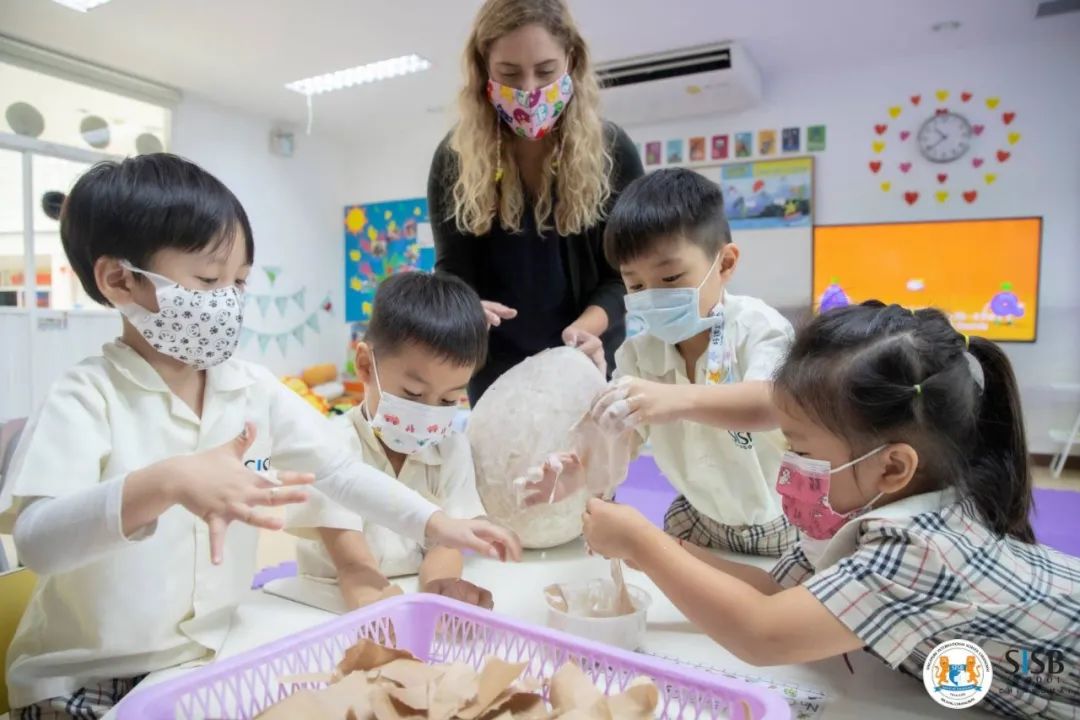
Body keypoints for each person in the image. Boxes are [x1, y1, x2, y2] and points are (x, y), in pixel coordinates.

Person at [0, 154, 520, 719]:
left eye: (240, 282)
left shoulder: (251, 387)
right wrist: (166, 482)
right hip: (87, 676)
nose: (228, 300)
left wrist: (436, 522)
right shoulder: (86, 394)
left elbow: (341, 472)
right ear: (119, 280)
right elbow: (36, 541)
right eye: (207, 280)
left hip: (207, 657)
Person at [583, 303, 1080, 719]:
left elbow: (764, 632)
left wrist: (641, 545)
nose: (788, 467)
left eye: (800, 449)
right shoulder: (860, 505)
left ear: (892, 468)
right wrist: (662, 544)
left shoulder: (924, 548)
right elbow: (782, 593)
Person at [428, 0, 645, 404]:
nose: (529, 91)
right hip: (494, 368)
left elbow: (626, 275)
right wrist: (467, 309)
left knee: (584, 463)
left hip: (588, 357)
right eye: (509, 74)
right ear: (483, 70)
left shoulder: (612, 152)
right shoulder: (455, 158)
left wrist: (584, 330)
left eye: (546, 72)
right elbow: (452, 272)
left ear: (571, 62)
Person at [589, 168, 797, 557]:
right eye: (635, 286)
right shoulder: (637, 354)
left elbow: (769, 404)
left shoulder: (759, 327)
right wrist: (579, 466)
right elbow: (623, 442)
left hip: (784, 523)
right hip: (697, 518)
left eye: (669, 278)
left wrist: (675, 399)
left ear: (725, 264)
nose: (651, 296)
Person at [288, 272, 494, 610]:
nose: (429, 413)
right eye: (413, 394)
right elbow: (354, 568)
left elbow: (445, 547)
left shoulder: (452, 448)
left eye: (448, 401)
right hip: (327, 606)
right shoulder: (330, 446)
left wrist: (441, 594)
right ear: (366, 366)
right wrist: (384, 618)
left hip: (402, 598)